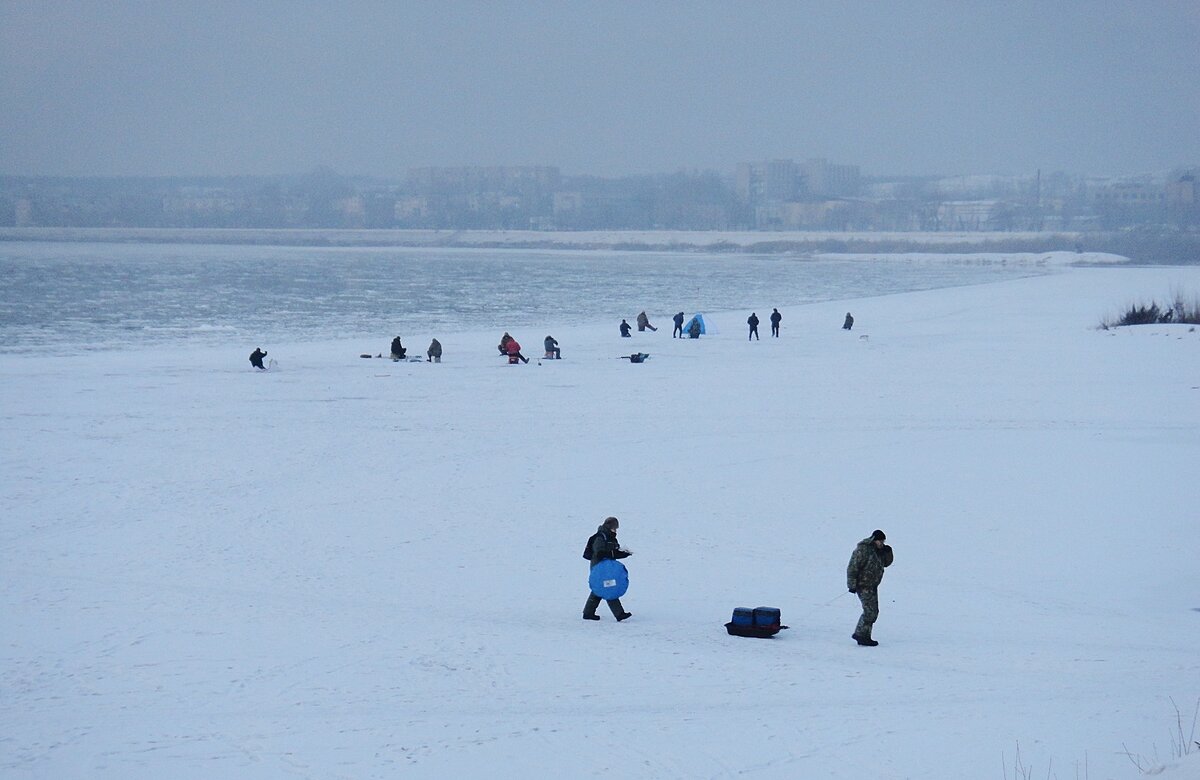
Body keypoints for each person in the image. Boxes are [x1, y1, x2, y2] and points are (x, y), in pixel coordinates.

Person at [846, 529, 894, 646]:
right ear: (874, 540)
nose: (881, 543)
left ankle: (864, 635)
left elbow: (886, 563)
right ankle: (861, 635)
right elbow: (853, 567)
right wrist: (852, 584)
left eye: (883, 541)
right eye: (879, 541)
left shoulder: (879, 551)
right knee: (870, 611)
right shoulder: (864, 549)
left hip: (872, 585)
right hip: (863, 585)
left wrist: (888, 552)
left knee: (873, 611)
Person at [583, 516, 633, 621]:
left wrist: (624, 554)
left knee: (599, 588)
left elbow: (612, 553)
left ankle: (588, 613)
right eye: (614, 527)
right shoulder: (601, 537)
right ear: (609, 526)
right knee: (609, 588)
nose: (616, 530)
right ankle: (619, 614)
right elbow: (600, 553)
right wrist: (613, 554)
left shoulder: (610, 537)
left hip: (607, 568)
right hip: (600, 568)